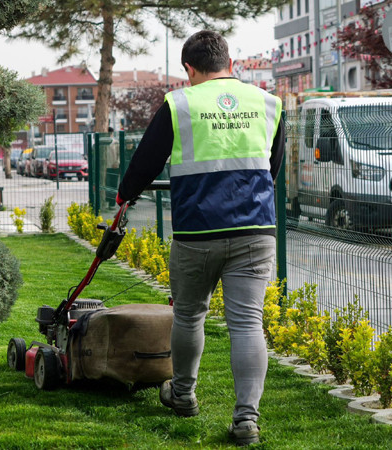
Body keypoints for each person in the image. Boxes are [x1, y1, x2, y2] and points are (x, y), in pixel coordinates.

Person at [116, 30, 285, 446]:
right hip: (254, 228)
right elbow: (273, 165)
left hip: (197, 232)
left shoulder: (180, 103)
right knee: (248, 323)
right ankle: (246, 418)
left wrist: (125, 195)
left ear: (189, 69)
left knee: (189, 314)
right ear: (230, 63)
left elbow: (147, 161)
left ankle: (184, 394)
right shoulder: (268, 102)